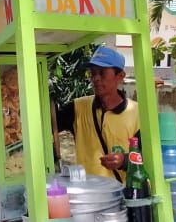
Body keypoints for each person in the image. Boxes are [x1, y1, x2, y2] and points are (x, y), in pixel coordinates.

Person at [55, 46, 140, 180]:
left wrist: (124, 160)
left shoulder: (136, 113)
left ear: (120, 76)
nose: (96, 78)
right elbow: (48, 125)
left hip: (121, 195)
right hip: (89, 194)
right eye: (93, 73)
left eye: (102, 73)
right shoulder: (78, 108)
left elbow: (147, 157)